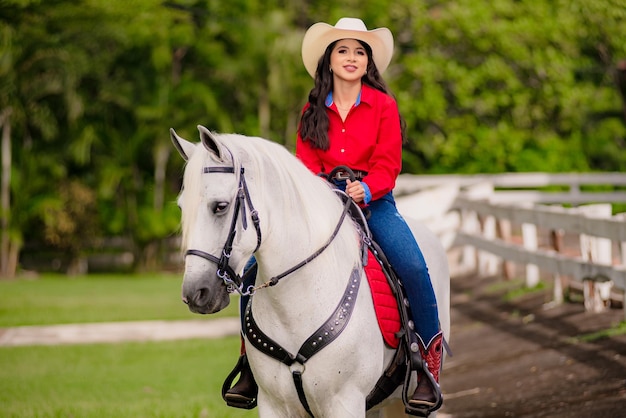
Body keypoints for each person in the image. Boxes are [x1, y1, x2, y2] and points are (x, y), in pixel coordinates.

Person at [224, 17, 444, 412]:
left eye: (360, 52)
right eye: (343, 50)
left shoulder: (383, 105)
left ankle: (425, 364)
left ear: (368, 63)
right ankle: (248, 365)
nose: (352, 57)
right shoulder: (313, 109)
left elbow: (388, 162)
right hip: (320, 206)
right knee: (255, 271)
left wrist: (368, 187)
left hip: (373, 203)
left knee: (412, 264)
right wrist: (323, 191)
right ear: (329, 59)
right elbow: (303, 165)